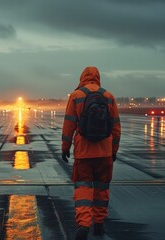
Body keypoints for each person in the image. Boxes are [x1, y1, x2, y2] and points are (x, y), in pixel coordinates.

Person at [61, 66, 121, 240]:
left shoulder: (76, 96)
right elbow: (116, 127)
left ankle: (84, 224)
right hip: (104, 152)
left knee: (83, 190)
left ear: (82, 78)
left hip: (84, 153)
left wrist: (65, 148)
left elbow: (69, 125)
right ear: (98, 77)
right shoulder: (109, 97)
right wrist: (113, 150)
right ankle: (100, 224)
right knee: (102, 189)